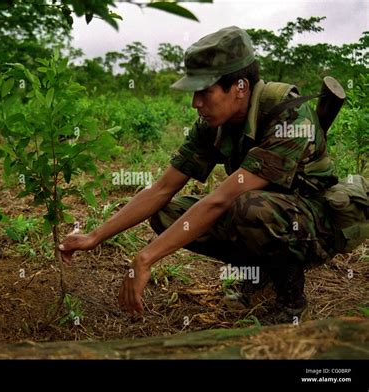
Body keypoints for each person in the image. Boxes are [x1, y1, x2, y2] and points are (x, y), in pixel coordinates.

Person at [59, 26, 339, 323]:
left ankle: (291, 301)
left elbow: (221, 200)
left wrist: (145, 258)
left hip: (318, 225)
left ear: (240, 87)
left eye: (205, 92)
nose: (196, 103)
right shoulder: (214, 123)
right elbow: (161, 189)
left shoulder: (289, 113)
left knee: (247, 208)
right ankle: (260, 275)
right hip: (270, 213)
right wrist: (95, 236)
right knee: (167, 212)